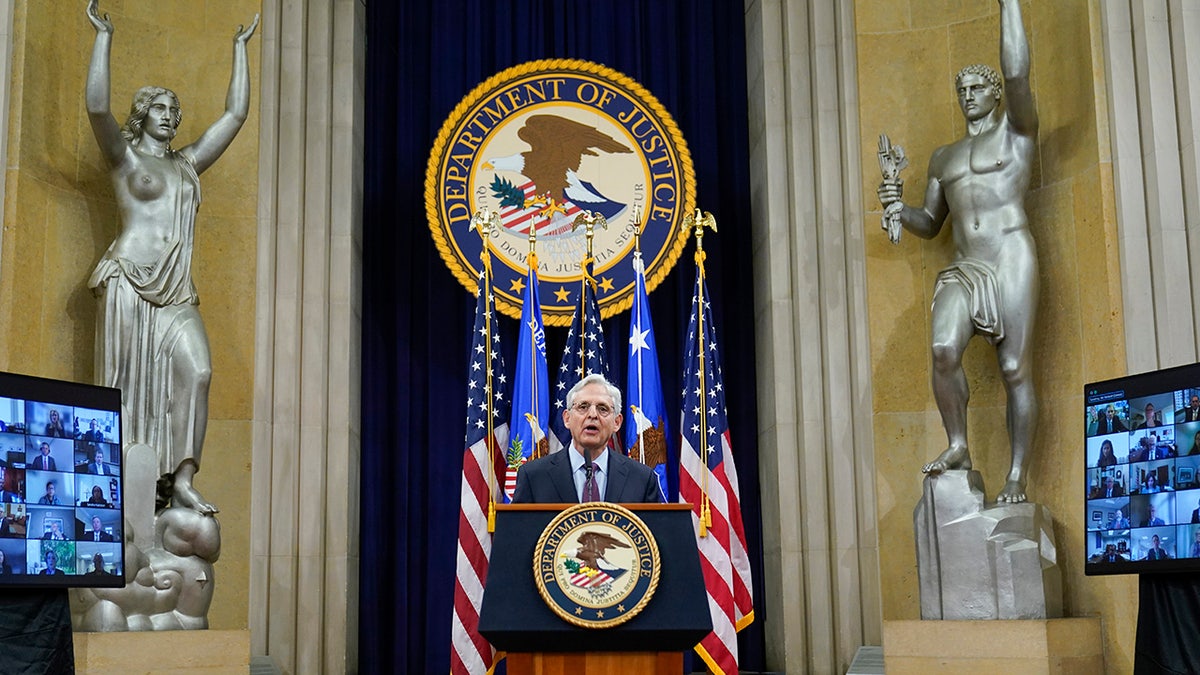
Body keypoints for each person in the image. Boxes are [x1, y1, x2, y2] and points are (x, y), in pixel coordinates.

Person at [85, 0, 258, 515]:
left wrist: (239, 51)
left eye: (175, 111)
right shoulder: (125, 158)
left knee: (199, 372)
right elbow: (96, 108)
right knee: (121, 386)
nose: (171, 116)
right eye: (161, 108)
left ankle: (181, 478)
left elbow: (235, 114)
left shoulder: (187, 166)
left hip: (176, 292)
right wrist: (103, 37)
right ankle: (120, 485)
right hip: (126, 284)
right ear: (142, 114)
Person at [876, 0, 1037, 503]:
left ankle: (1016, 476)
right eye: (961, 90)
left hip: (1010, 255)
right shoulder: (944, 156)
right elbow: (931, 222)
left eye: (978, 88)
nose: (968, 96)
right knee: (943, 350)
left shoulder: (1016, 132)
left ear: (995, 94)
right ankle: (959, 445)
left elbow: (1017, 72)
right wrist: (899, 208)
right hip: (965, 265)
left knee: (1015, 370)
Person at [513, 374, 663, 504]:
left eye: (602, 409)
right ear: (567, 419)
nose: (592, 415)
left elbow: (651, 536)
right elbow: (518, 535)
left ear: (617, 422)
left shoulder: (641, 478)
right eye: (583, 407)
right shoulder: (534, 476)